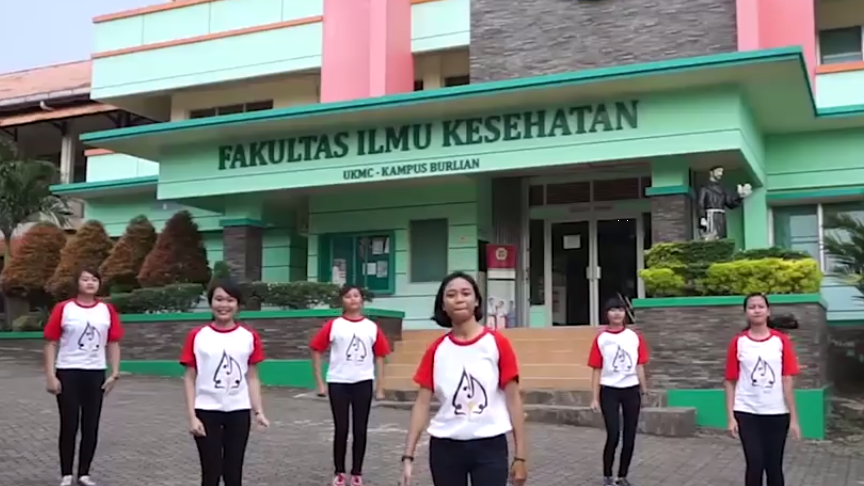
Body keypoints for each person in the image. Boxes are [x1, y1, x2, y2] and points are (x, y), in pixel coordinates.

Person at [401, 271, 528, 486]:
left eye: (466, 293)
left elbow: (513, 401)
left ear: (476, 301)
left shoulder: (497, 343)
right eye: (451, 295)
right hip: (445, 448)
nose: (459, 299)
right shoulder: (436, 350)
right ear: (443, 305)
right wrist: (408, 456)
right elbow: (421, 404)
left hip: (490, 446)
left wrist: (521, 456)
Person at [179, 278, 270, 486]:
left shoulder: (248, 336)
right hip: (206, 411)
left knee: (233, 473)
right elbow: (190, 378)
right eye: (219, 299)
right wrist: (192, 417)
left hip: (238, 412)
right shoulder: (197, 336)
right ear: (211, 302)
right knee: (211, 472)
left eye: (230, 300)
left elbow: (253, 376)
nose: (224, 305)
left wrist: (258, 411)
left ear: (237, 305)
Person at [43, 268, 124, 486]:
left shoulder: (107, 310)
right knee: (69, 423)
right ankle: (67, 473)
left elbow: (113, 342)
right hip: (68, 371)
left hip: (95, 372)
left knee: (91, 425)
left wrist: (114, 373)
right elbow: (50, 342)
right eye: (85, 279)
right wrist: (51, 376)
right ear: (77, 283)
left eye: (94, 279)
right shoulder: (64, 308)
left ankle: (84, 473)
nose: (90, 283)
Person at [310, 284, 391, 486]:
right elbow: (316, 349)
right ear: (342, 301)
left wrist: (380, 387)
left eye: (356, 296)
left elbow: (381, 356)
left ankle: (356, 472)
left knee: (360, 429)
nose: (353, 299)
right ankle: (339, 472)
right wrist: (320, 382)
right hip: (338, 382)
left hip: (363, 382)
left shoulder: (371, 327)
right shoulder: (334, 325)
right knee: (341, 428)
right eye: (348, 296)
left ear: (362, 300)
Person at [725, 293, 801, 486]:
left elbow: (787, 379)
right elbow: (730, 381)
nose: (756, 310)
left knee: (774, 466)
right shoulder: (738, 342)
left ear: (768, 311)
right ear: (746, 313)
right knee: (755, 463)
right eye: (752, 307)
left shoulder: (781, 341)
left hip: (776, 412)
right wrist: (731, 417)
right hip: (747, 411)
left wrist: (794, 418)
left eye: (760, 306)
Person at [588, 297, 649, 486]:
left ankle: (622, 476)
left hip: (631, 390)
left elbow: (639, 365)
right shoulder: (601, 339)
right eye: (613, 310)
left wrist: (644, 389)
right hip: (609, 391)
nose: (617, 314)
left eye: (620, 310)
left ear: (625, 313)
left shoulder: (634, 337)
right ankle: (607, 474)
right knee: (613, 433)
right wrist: (594, 398)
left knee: (630, 435)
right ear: (607, 314)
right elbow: (597, 369)